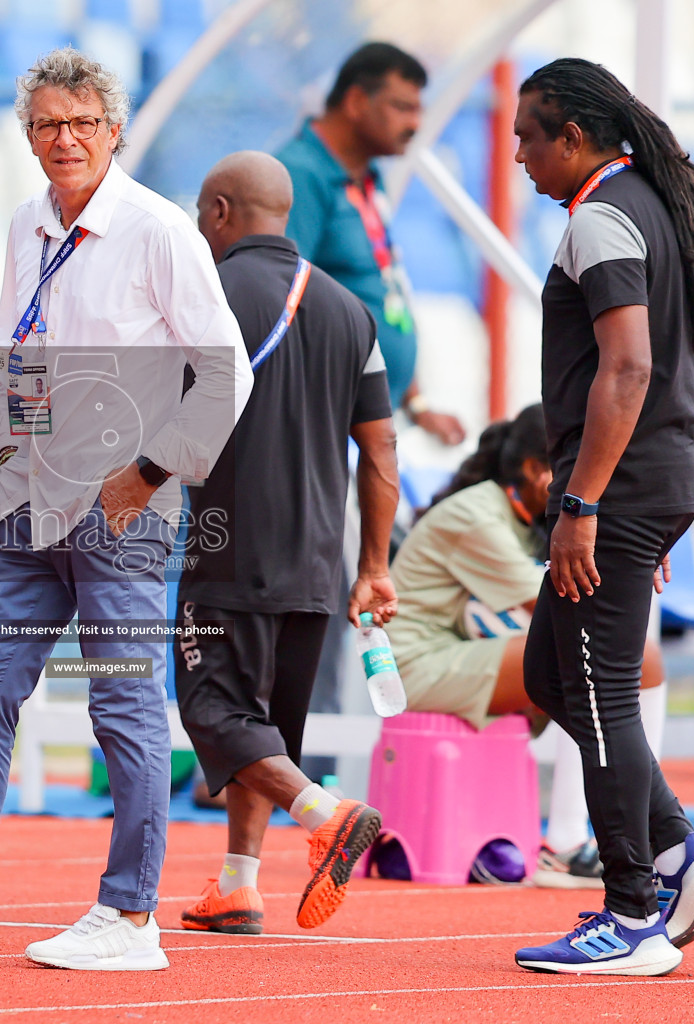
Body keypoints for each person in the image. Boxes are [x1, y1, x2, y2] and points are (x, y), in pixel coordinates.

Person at [0, 49, 252, 972]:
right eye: (46, 126)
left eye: (81, 124)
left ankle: (130, 918)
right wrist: (10, 460)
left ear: (114, 130)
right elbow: (18, 350)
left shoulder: (155, 231)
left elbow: (227, 368)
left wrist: (149, 473)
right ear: (27, 136)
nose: (64, 140)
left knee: (123, 705)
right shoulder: (29, 223)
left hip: (122, 514)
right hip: (30, 508)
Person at [508, 58, 694, 976]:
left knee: (597, 697)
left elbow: (631, 368)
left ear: (573, 138)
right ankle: (682, 855)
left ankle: (633, 912)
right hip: (658, 477)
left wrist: (587, 505)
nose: (520, 153)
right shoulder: (655, 205)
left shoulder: (603, 216)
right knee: (550, 675)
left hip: (623, 484)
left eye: (530, 135)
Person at [173, 151, 400, 935]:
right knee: (263, 724)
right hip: (317, 562)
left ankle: (326, 815)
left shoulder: (207, 295)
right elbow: (380, 452)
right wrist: (371, 567)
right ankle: (239, 883)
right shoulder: (349, 311)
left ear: (220, 213)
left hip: (229, 550)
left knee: (215, 708)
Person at [275, 42, 467, 772]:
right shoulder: (301, 177)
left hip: (363, 418)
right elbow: (282, 304)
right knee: (315, 588)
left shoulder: (362, 180)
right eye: (402, 105)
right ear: (356, 100)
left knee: (334, 585)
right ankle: (275, 755)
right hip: (316, 422)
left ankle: (291, 753)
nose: (415, 122)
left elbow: (370, 294)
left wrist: (411, 398)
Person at [384, 405, 671, 888]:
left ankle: (617, 833)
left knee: (618, 660)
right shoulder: (477, 517)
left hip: (456, 652)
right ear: (541, 473)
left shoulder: (514, 514)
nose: (591, 485)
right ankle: (567, 843)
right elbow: (563, 609)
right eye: (580, 470)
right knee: (622, 658)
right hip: (417, 666)